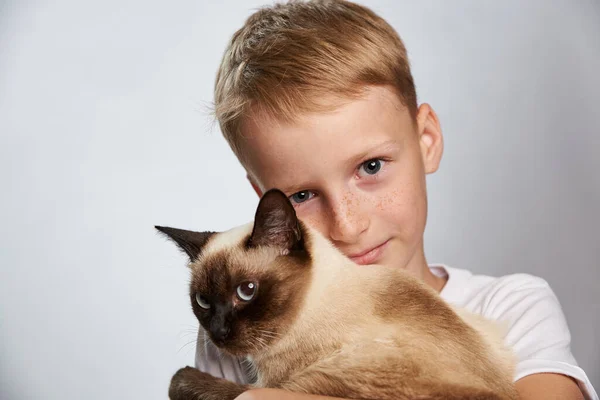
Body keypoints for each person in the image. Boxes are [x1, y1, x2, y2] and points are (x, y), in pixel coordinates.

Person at [194, 1, 598, 399]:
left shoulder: (511, 308)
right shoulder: (242, 332)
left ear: (427, 142)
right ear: (265, 201)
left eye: (371, 167)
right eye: (301, 195)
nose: (348, 226)